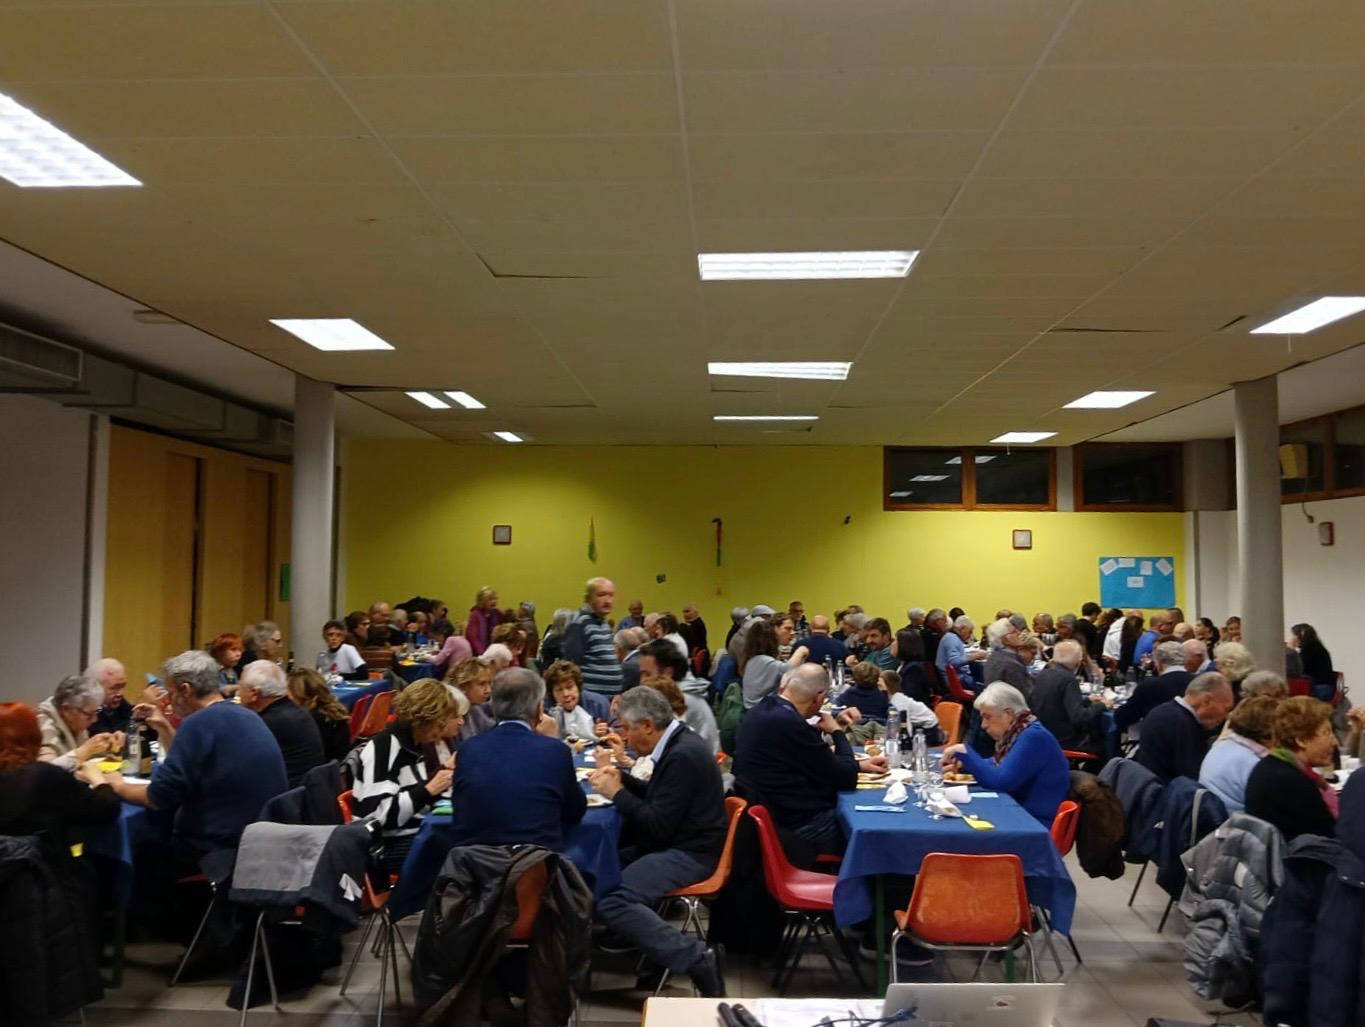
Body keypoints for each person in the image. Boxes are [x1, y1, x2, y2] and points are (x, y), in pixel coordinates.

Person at [589, 686, 727, 997]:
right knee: (596, 869)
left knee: (614, 900)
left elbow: (657, 825)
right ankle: (648, 949)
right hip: (682, 840)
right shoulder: (680, 742)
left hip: (692, 852)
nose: (624, 737)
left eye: (626, 728)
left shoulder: (682, 755)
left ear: (648, 725)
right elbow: (661, 799)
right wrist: (624, 779)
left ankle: (696, 958)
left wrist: (617, 793)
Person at [107, 650, 287, 861]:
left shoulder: (199, 723)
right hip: (259, 841)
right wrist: (163, 726)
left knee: (140, 851)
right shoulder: (246, 715)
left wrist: (116, 785)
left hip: (220, 849)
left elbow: (158, 798)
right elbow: (187, 761)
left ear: (185, 690)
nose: (168, 701)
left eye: (170, 693)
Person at [733, 664, 885, 853]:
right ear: (819, 697)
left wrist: (859, 765)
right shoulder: (790, 725)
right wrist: (837, 732)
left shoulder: (762, 710)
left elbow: (813, 760)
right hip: (797, 828)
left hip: (770, 814)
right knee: (874, 831)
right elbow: (844, 778)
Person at [447, 668, 586, 850]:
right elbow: (575, 812)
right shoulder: (555, 751)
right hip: (537, 861)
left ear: (494, 708)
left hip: (474, 862)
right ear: (539, 709)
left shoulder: (468, 750)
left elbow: (460, 810)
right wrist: (551, 740)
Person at [350, 677, 462, 874]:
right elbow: (376, 816)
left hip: (408, 834)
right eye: (439, 723)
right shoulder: (384, 748)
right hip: (384, 846)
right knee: (457, 853)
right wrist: (427, 790)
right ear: (422, 719)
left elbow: (413, 798)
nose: (442, 729)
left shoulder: (414, 746)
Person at [0, 701, 121, 856]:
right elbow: (106, 811)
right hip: (45, 866)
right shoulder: (43, 777)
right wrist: (98, 780)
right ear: (34, 737)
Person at [940, 682, 1069, 825]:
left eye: (988, 717)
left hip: (1034, 823)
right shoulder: (1020, 732)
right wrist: (965, 765)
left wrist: (965, 752)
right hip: (1020, 814)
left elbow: (999, 782)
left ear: (1008, 714)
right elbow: (998, 765)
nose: (983, 725)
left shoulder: (1033, 737)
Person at [1245, 696, 1338, 841]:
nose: (1335, 741)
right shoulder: (1291, 782)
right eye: (1326, 733)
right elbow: (1328, 835)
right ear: (1301, 740)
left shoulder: (1270, 765)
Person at [1133, 672, 1235, 784]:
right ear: (1206, 701)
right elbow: (1193, 778)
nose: (1226, 716)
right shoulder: (1182, 726)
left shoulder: (1164, 711)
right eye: (1226, 709)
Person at [238, 660, 325, 788]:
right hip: (310, 790)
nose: (238, 693)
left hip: (288, 794)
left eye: (240, 687)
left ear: (254, 694)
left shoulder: (266, 723)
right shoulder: (298, 711)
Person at [635, 639, 720, 752]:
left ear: (668, 673)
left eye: (647, 674)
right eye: (641, 674)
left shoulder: (680, 699)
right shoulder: (674, 693)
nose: (642, 681)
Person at [1199, 696, 1278, 814]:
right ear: (1269, 731)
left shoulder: (1222, 744)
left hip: (1216, 815)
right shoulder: (1254, 764)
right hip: (1236, 821)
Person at [1028, 640, 1110, 754]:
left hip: (1043, 733)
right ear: (1078, 662)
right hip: (1065, 740)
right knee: (1105, 742)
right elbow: (1079, 717)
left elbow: (1057, 703)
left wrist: (1087, 700)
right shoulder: (1068, 679)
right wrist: (1102, 705)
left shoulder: (1043, 674)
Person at [37, 674, 123, 772]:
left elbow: (86, 758)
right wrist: (86, 750)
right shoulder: (44, 726)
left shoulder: (75, 721)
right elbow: (46, 772)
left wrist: (108, 746)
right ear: (66, 709)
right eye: (89, 714)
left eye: (97, 711)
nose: (95, 719)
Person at [1115, 641, 1195, 733]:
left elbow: (1123, 717)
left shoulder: (1149, 686)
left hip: (1158, 737)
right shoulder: (1199, 681)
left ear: (1158, 663)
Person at [564, 576, 624, 696]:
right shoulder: (579, 623)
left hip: (608, 699)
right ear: (588, 598)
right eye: (601, 595)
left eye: (611, 595)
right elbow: (571, 665)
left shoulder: (604, 624)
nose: (607, 600)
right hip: (591, 699)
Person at [286, 667, 353, 762]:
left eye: (290, 697)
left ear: (310, 698)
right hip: (336, 767)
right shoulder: (333, 714)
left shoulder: (311, 722)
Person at [740, 617, 809, 710]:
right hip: (762, 711)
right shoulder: (764, 661)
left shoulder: (752, 660)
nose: (792, 633)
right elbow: (788, 670)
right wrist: (800, 651)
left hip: (756, 710)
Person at [880, 669, 940, 740]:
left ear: (889, 686)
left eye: (880, 686)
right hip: (918, 726)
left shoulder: (899, 702)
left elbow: (907, 727)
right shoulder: (892, 699)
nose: (877, 689)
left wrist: (905, 741)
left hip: (929, 730)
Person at [545, 660, 597, 740]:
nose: (565, 694)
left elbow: (613, 731)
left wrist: (605, 732)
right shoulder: (544, 710)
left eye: (569, 687)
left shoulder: (597, 704)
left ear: (578, 686)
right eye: (559, 689)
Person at [448, 656, 495, 743]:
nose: (488, 690)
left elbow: (492, 728)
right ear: (463, 685)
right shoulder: (450, 718)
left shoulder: (474, 709)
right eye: (482, 684)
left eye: (489, 683)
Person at [982, 618, 1031, 696]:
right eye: (1014, 632)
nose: (1019, 633)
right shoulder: (1012, 665)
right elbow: (1026, 695)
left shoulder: (993, 656)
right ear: (1005, 640)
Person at [935, 613, 986, 685]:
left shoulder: (951, 637)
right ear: (962, 628)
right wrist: (975, 656)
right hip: (955, 679)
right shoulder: (952, 639)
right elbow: (953, 662)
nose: (970, 635)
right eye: (970, 632)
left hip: (956, 676)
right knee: (984, 682)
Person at [85, 658, 132, 735]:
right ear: (95, 687)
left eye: (122, 686)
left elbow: (131, 715)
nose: (120, 693)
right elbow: (109, 736)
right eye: (114, 688)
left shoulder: (117, 702)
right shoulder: (89, 710)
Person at [1290, 623, 1336, 700]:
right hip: (1321, 685)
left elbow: (1298, 668)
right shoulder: (1315, 646)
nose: (1292, 638)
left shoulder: (1311, 647)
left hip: (1320, 688)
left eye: (1294, 635)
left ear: (1301, 635)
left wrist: (1291, 650)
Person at [891, 629, 933, 702]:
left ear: (904, 645)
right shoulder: (904, 665)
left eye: (895, 640)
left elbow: (910, 696)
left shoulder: (914, 668)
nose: (892, 644)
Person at [464, 587, 504, 655]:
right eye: (490, 599)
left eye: (495, 599)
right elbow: (472, 637)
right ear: (482, 601)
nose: (494, 601)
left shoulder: (498, 613)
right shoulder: (475, 615)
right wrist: (482, 654)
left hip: (495, 651)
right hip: (479, 653)